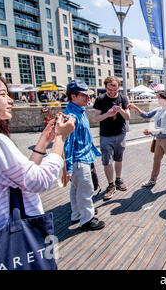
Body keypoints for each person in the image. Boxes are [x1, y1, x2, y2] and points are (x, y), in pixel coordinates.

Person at [0, 73, 75, 232]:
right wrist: (60, 138)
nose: (10, 99)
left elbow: (24, 177)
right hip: (9, 234)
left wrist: (43, 142)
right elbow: (40, 181)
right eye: (2, 95)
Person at [63, 80, 105, 231]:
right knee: (85, 189)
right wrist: (67, 168)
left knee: (76, 189)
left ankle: (77, 214)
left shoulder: (78, 111)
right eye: (84, 96)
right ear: (73, 96)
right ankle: (87, 219)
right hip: (78, 160)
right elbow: (67, 143)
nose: (88, 99)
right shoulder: (70, 116)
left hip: (83, 157)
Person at [129, 91, 166, 192]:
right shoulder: (159, 109)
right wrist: (135, 108)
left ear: (165, 99)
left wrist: (151, 131)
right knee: (156, 160)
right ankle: (153, 180)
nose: (157, 100)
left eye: (159, 98)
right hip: (159, 138)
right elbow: (147, 115)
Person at [93, 77, 130, 201]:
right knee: (107, 161)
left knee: (119, 159)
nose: (112, 92)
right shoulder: (101, 99)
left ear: (118, 87)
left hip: (120, 134)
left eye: (115, 90)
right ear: (106, 87)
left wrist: (120, 111)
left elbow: (128, 117)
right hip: (105, 135)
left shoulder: (123, 98)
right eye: (109, 90)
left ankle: (118, 179)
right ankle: (110, 185)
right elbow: (96, 118)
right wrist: (108, 114)